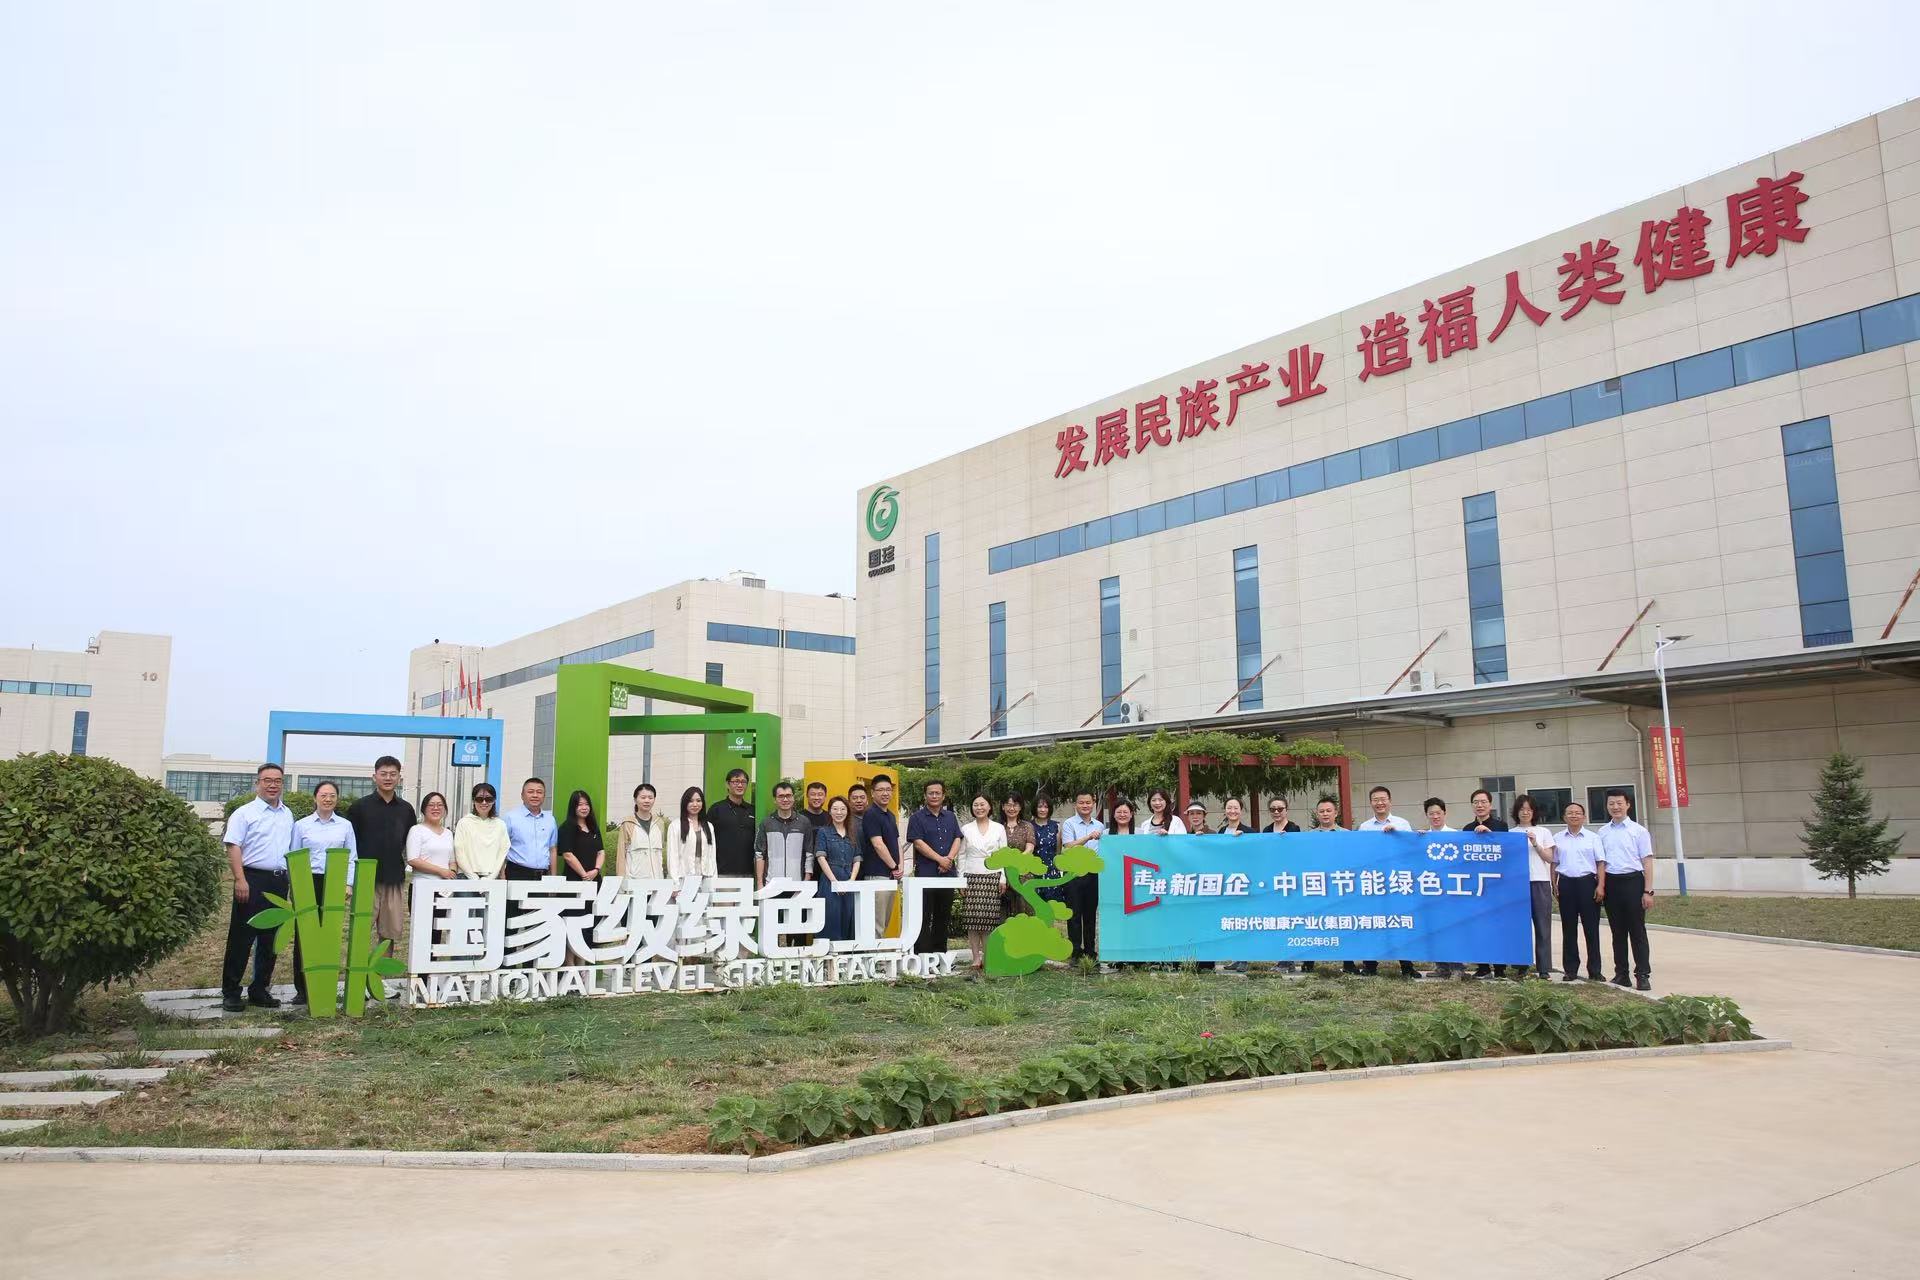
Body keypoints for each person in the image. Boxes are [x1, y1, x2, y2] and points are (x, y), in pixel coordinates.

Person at [220, 764, 296, 1011]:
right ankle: (231, 991)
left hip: (279, 881)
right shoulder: (244, 813)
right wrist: (239, 879)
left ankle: (259, 989)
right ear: (258, 783)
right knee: (242, 937)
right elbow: (233, 846)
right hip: (251, 880)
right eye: (267, 780)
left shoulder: (287, 814)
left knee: (270, 939)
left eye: (278, 780)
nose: (273, 785)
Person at [288, 780, 357, 1006]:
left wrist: (348, 884)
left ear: (337, 798)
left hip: (335, 882)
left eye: (332, 795)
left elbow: (352, 857)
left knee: (330, 933)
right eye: (323, 795)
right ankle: (302, 988)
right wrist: (294, 886)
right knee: (304, 935)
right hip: (307, 881)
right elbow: (294, 856)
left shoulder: (345, 826)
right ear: (315, 798)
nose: (328, 799)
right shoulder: (301, 825)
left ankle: (326, 984)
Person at [346, 754, 416, 956]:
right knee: (360, 929)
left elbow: (410, 841)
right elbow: (350, 843)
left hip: (393, 877)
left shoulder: (406, 809)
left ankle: (381, 972)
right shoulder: (359, 807)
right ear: (374, 776)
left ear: (399, 778)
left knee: (389, 932)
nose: (388, 778)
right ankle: (358, 970)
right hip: (365, 879)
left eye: (393, 774)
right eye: (383, 773)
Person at [1597, 788, 1655, 990]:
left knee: (1637, 931)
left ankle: (1642, 975)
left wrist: (1648, 891)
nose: (1615, 807)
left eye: (1619, 803)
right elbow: (1601, 862)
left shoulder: (1639, 831)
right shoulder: (1602, 832)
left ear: (1628, 805)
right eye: (1611, 803)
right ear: (1607, 806)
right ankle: (1621, 974)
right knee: (1617, 932)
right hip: (1611, 884)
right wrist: (1601, 885)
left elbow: (1647, 862)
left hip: (1633, 882)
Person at [1355, 786, 1416, 977]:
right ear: (1370, 803)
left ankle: (1407, 967)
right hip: (1373, 882)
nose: (1379, 803)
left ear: (1390, 801)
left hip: (1397, 882)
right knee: (1372, 923)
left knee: (1400, 923)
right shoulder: (1364, 827)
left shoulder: (1402, 824)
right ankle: (1370, 966)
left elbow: (1411, 849)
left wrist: (1397, 834)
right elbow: (1360, 853)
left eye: (1383, 799)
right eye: (1375, 799)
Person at [503, 779, 558, 964]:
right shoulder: (511, 817)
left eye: (539, 792)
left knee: (535, 924)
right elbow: (503, 848)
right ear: (522, 795)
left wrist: (553, 879)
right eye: (531, 791)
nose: (535, 795)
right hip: (517, 874)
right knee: (512, 922)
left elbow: (552, 849)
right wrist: (502, 876)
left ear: (544, 795)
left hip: (541, 877)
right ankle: (507, 969)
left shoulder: (550, 819)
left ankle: (530, 969)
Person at [906, 780, 963, 953]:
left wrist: (949, 859)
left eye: (938, 793)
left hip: (947, 874)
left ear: (943, 795)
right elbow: (918, 843)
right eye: (931, 793)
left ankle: (940, 955)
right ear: (925, 795)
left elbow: (957, 838)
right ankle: (922, 955)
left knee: (943, 915)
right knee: (923, 915)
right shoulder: (916, 818)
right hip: (926, 873)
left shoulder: (951, 817)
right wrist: (940, 860)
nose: (934, 796)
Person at [1463, 789, 1513, 979]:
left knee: (1498, 926)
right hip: (1476, 885)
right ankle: (1483, 966)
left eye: (1483, 802)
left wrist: (1490, 834)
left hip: (1497, 884)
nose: (1480, 805)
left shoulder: (1501, 826)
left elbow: (1507, 850)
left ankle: (1500, 968)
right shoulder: (1467, 828)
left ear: (1490, 805)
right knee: (1479, 926)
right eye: (1476, 802)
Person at [1554, 801, 1605, 982]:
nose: (1574, 815)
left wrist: (1601, 886)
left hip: (1587, 884)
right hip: (1566, 884)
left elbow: (1600, 863)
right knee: (1568, 929)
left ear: (1584, 817)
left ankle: (1595, 970)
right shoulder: (1557, 838)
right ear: (1564, 817)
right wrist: (1554, 884)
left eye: (1577, 813)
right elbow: (1554, 863)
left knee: (1591, 929)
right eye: (1570, 813)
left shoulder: (1593, 838)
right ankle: (1570, 970)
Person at [957, 794, 1007, 974]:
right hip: (971, 875)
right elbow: (961, 855)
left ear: (989, 807)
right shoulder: (965, 829)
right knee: (972, 920)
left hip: (992, 875)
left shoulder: (999, 828)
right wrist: (961, 880)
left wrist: (1003, 878)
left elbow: (1003, 855)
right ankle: (975, 957)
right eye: (976, 805)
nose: (979, 808)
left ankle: (987, 956)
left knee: (988, 920)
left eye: (982, 804)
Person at [1511, 795, 1557, 980]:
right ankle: (1521, 966)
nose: (1525, 812)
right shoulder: (1511, 832)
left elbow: (1550, 858)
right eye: (1522, 809)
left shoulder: (1543, 831)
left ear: (1534, 812)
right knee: (1520, 926)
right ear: (1516, 812)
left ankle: (1544, 967)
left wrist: (1535, 843)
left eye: (1529, 809)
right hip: (1517, 884)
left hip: (1540, 882)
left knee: (1542, 925)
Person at [556, 789, 604, 965]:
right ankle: (570, 966)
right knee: (573, 923)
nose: (584, 807)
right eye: (579, 804)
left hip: (594, 881)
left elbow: (601, 852)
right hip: (574, 883)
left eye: (586, 804)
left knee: (589, 922)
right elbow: (567, 855)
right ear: (573, 807)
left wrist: (596, 870)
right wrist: (584, 874)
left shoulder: (593, 827)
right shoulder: (567, 827)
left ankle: (583, 964)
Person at [1059, 791, 1105, 962]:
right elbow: (1068, 846)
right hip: (1073, 873)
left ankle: (1091, 951)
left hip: (1093, 873)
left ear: (1093, 804)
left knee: (1090, 913)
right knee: (1074, 913)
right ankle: (1076, 951)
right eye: (1081, 802)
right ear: (1075, 804)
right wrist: (1088, 837)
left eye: (1088, 802)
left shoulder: (1100, 825)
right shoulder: (1069, 824)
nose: (1085, 805)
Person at [1300, 795, 1343, 971]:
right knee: (1313, 923)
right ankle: (1309, 962)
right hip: (1316, 885)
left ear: (1336, 813)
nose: (1325, 814)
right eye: (1322, 811)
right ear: (1317, 814)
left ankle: (1348, 963)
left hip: (1339, 885)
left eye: (1328, 811)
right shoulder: (1308, 837)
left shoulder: (1347, 835)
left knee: (1342, 922)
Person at [1422, 798, 1462, 979]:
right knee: (1435, 929)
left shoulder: (1455, 835)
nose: (1435, 816)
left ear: (1445, 813)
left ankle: (1457, 967)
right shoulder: (1422, 837)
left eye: (1438, 813)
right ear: (1427, 815)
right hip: (1431, 890)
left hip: (1451, 891)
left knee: (1452, 929)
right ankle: (1441, 966)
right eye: (1431, 813)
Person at [813, 795, 862, 943]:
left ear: (847, 811)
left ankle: (845, 955)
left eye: (842, 809)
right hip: (829, 881)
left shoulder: (853, 833)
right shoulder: (824, 832)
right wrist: (834, 882)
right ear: (829, 811)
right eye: (835, 809)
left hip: (848, 880)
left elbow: (857, 859)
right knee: (830, 917)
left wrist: (851, 881)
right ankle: (828, 955)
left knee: (848, 917)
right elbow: (821, 857)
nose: (839, 812)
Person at [859, 773, 903, 937]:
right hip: (877, 875)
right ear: (872, 793)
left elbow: (897, 842)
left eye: (888, 790)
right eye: (881, 790)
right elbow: (878, 844)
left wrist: (900, 867)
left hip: (891, 875)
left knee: (884, 922)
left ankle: (880, 953)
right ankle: (873, 954)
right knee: (876, 925)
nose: (885, 793)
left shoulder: (890, 815)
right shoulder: (871, 814)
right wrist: (894, 866)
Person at [755, 781, 814, 887]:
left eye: (788, 796)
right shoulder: (766, 823)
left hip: (797, 884)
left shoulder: (804, 822)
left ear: (793, 798)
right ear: (775, 799)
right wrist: (759, 883)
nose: (785, 799)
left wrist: (806, 880)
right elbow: (759, 854)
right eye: (781, 796)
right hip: (771, 885)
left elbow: (809, 853)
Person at [453, 783, 509, 880]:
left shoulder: (500, 824)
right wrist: (473, 877)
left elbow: (502, 853)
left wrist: (491, 877)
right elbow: (459, 852)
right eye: (479, 799)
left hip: (492, 878)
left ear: (494, 801)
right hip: (466, 877)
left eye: (488, 799)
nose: (484, 802)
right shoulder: (463, 823)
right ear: (473, 800)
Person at [709, 768, 758, 880]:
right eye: (736, 781)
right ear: (727, 784)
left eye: (743, 782)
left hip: (748, 873)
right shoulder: (716, 809)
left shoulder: (752, 810)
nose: (740, 785)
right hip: (722, 872)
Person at [616, 783, 667, 879]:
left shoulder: (659, 823)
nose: (647, 800)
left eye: (650, 797)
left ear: (654, 799)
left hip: (657, 880)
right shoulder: (628, 823)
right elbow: (621, 855)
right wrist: (621, 880)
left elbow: (660, 854)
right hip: (635, 881)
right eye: (643, 797)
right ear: (635, 800)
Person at [667, 786, 717, 878]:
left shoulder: (709, 826)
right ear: (685, 803)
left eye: (698, 801)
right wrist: (675, 881)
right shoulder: (676, 826)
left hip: (705, 875)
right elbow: (672, 856)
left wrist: (714, 879)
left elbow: (712, 855)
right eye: (691, 801)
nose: (695, 804)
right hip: (684, 876)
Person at [1000, 794, 1036, 916]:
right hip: (1002, 873)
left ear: (1020, 807)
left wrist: (1016, 862)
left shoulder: (1027, 826)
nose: (1012, 808)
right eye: (1008, 805)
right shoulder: (998, 827)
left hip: (1022, 873)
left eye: (1015, 805)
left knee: (1024, 911)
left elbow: (1030, 848)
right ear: (1003, 807)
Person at [1031, 795, 1065, 915]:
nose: (1043, 810)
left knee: (1052, 910)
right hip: (1034, 873)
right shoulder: (1029, 826)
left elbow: (1058, 851)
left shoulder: (1056, 827)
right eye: (1040, 806)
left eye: (1046, 807)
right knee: (1035, 910)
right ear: (1035, 808)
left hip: (1052, 873)